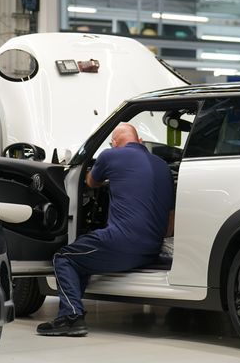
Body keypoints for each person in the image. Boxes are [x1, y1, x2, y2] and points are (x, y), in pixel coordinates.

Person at [36, 123, 175, 336]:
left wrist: (108, 177)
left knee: (65, 258)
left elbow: (90, 181)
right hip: (152, 249)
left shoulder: (110, 156)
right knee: (82, 257)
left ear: (114, 143)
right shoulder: (162, 166)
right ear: (140, 142)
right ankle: (74, 307)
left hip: (121, 244)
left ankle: (70, 318)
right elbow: (170, 221)